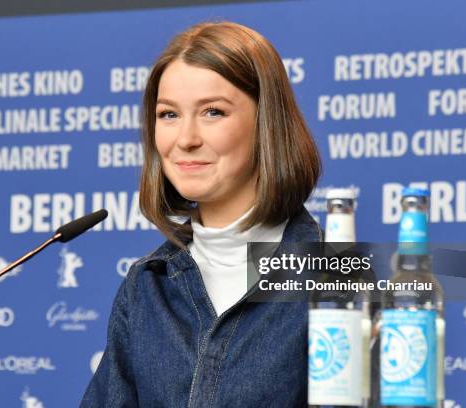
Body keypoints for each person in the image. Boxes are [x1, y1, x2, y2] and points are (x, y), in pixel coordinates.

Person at [80, 21, 321, 407]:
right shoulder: (146, 287)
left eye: (212, 112)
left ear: (267, 124)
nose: (186, 139)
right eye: (169, 115)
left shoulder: (337, 277)